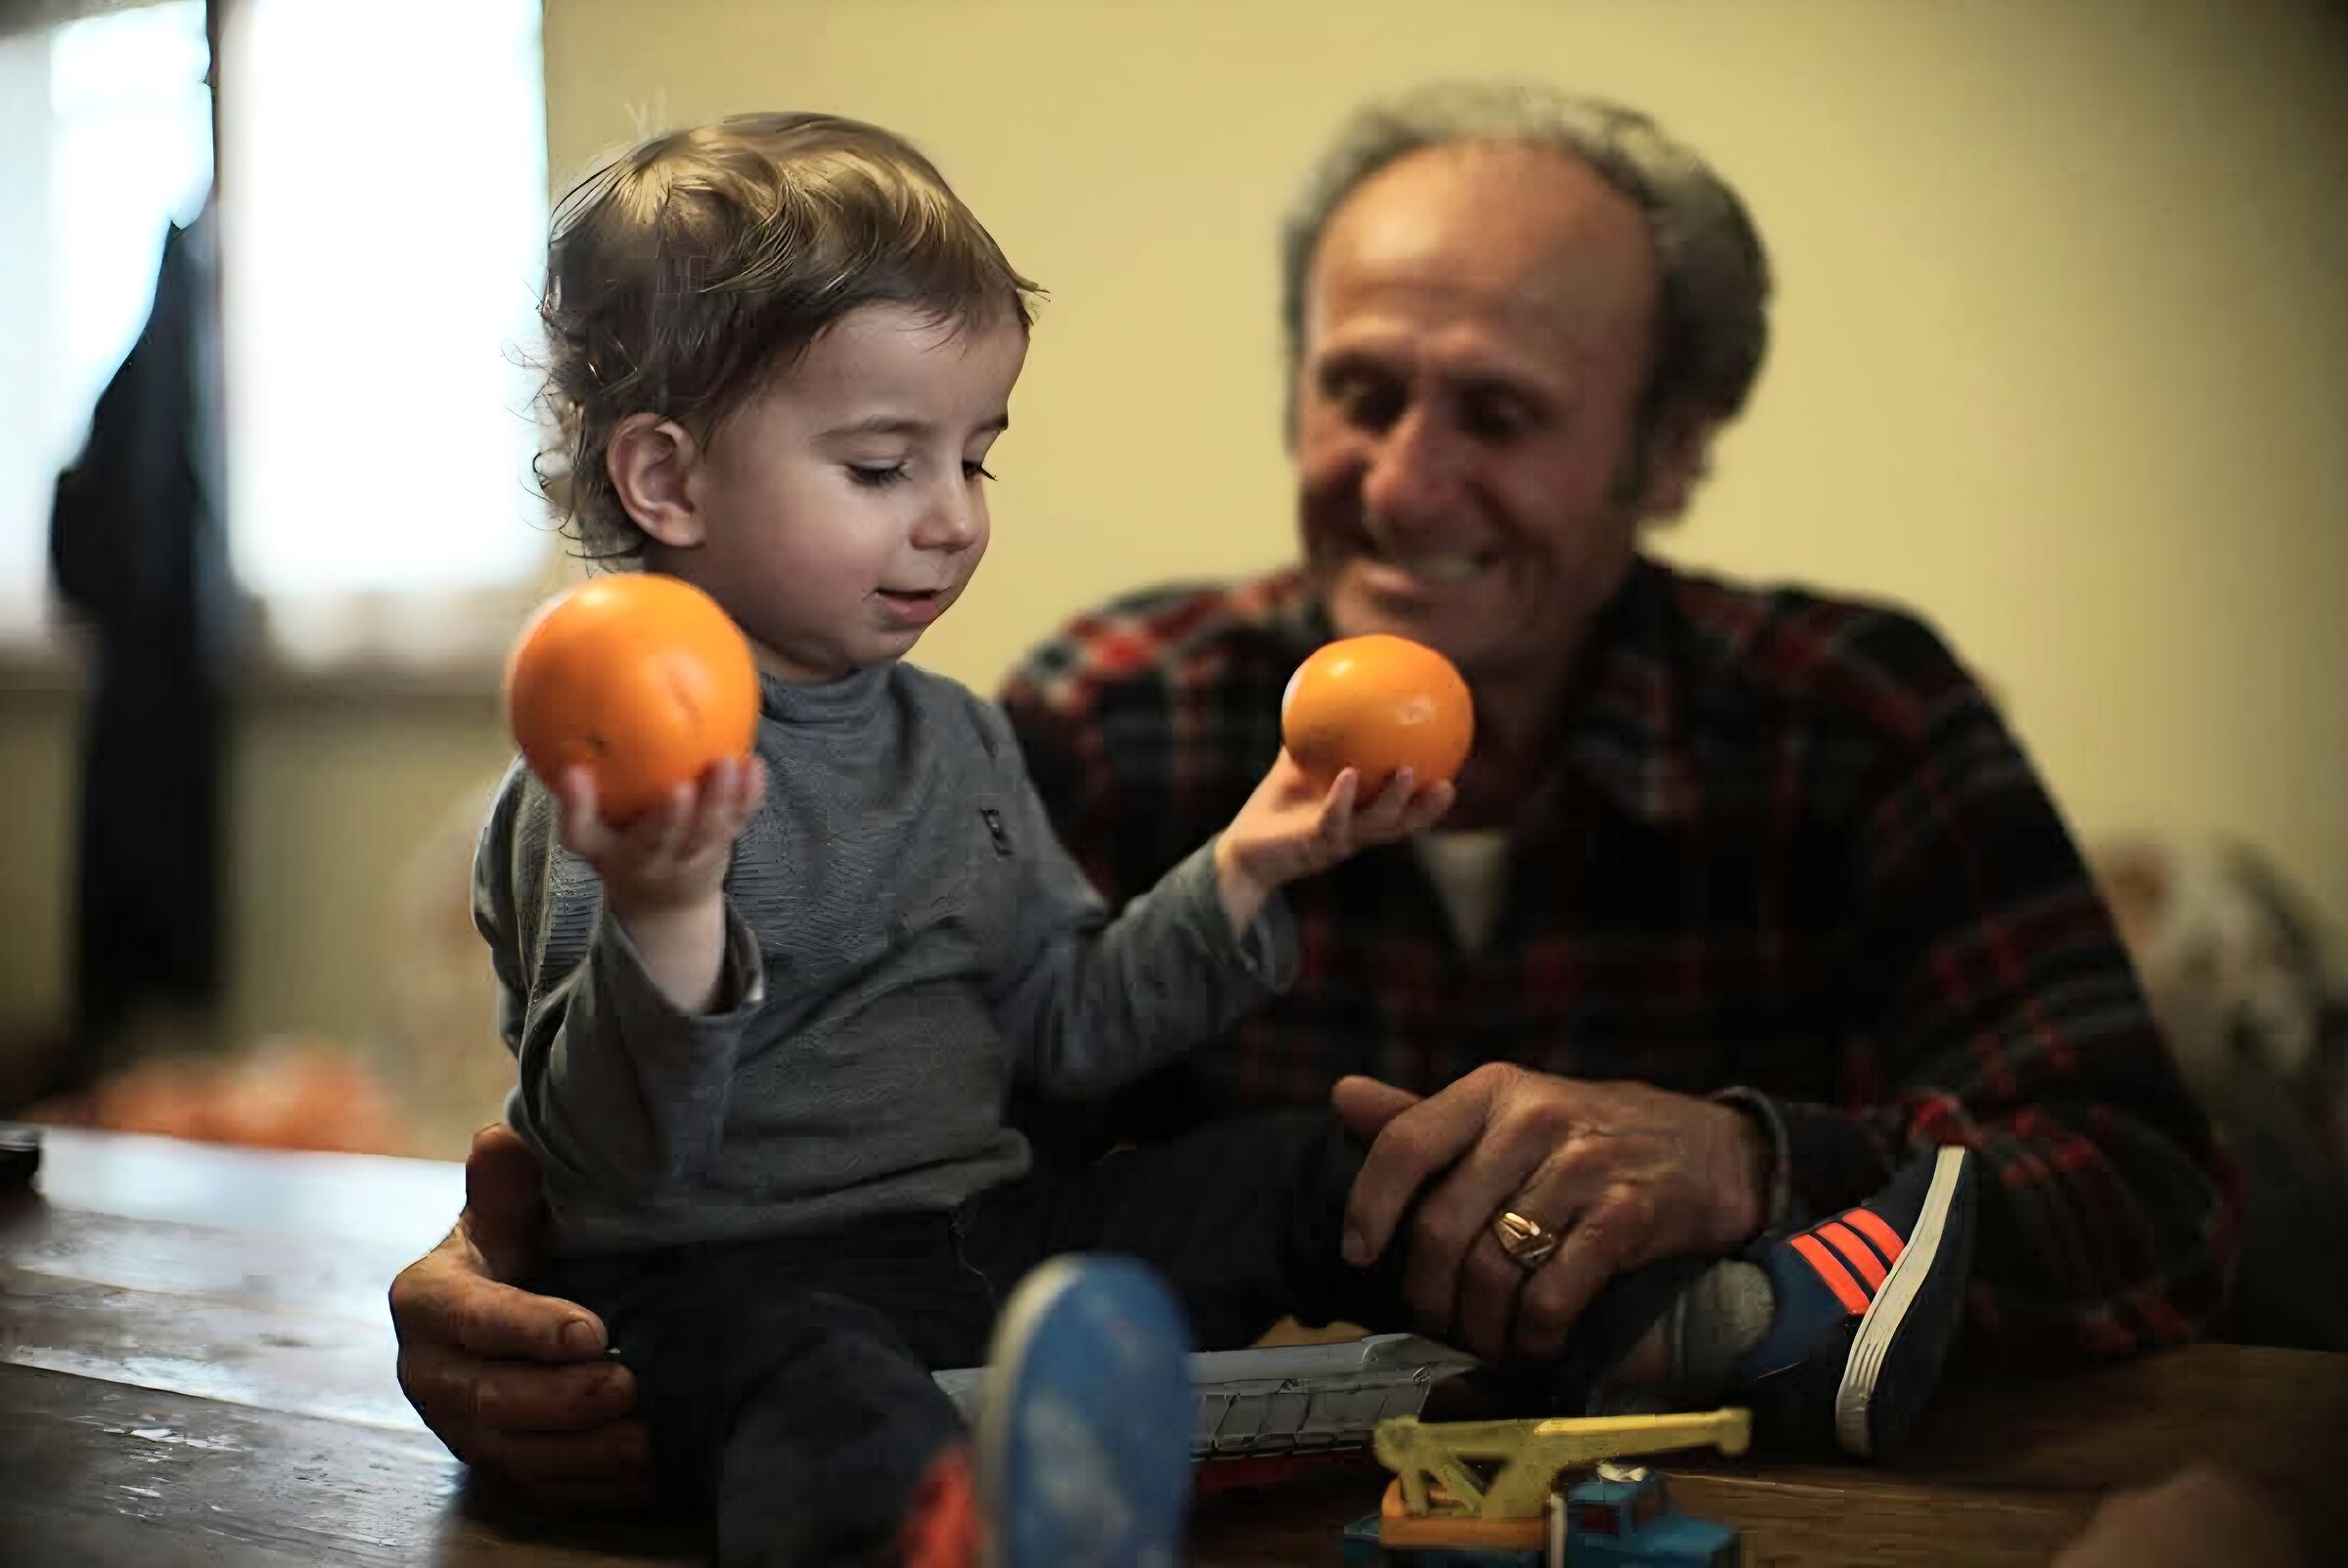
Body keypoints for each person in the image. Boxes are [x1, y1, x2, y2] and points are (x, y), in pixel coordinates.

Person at [391, 82, 2235, 1508]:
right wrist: (518, 1256)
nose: (1405, 484)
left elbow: (2155, 1195)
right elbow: (775, 1131)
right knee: (810, 1374)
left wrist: (1753, 1160)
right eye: (1361, 393)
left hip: (1704, 1485)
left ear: (1668, 454)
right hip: (901, 1350)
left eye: (1499, 415)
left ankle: (1721, 1333)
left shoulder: (1856, 719)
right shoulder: (1118, 707)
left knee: (1292, 1171)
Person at [476, 111, 1466, 1566]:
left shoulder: (958, 736)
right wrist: (667, 914)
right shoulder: (609, 771)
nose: (950, 522)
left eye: (976, 461)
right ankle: (953, 1532)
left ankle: (1646, 1336)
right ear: (667, 482)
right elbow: (615, 1174)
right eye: (884, 468)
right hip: (730, 1286)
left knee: (1306, 1165)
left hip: (978, 1246)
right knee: (820, 1397)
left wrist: (1250, 861)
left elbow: (1062, 1028)